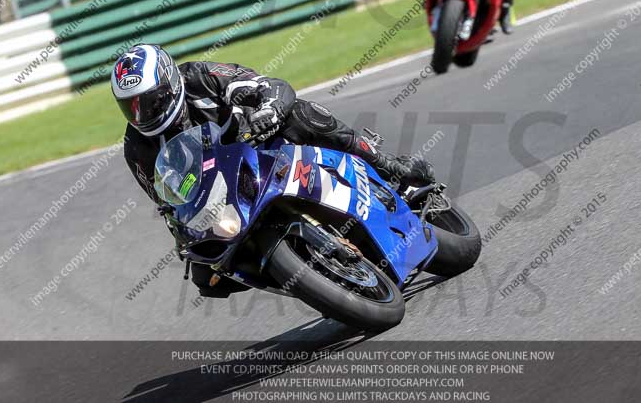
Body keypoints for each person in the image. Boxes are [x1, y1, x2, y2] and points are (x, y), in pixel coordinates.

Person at [111, 44, 435, 295]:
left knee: (305, 116)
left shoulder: (199, 77)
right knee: (207, 278)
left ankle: (385, 164)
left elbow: (268, 85)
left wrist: (268, 109)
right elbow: (167, 201)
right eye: (131, 107)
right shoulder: (137, 147)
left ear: (169, 82)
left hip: (262, 142)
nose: (143, 113)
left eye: (149, 100)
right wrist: (183, 231)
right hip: (222, 196)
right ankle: (315, 279)